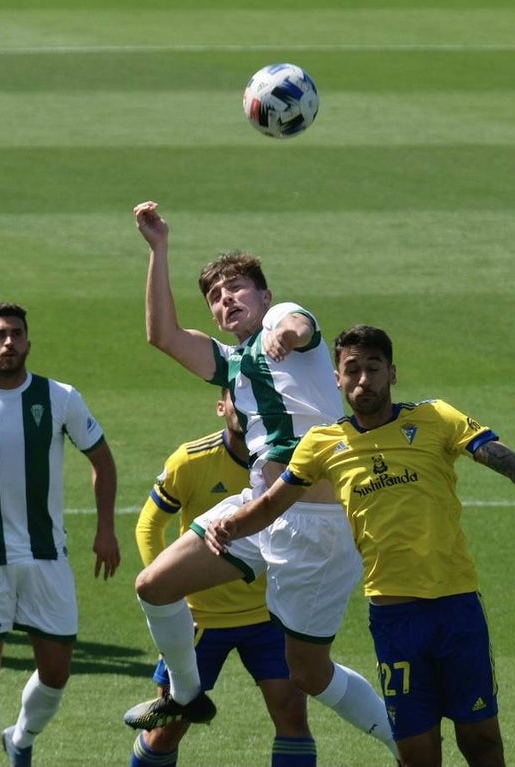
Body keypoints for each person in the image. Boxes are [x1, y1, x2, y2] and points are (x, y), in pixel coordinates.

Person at [206, 325, 515, 767]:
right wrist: (229, 526)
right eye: (353, 370)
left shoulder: (434, 418)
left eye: (374, 368)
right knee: (418, 755)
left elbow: (498, 455)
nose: (364, 379)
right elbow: (272, 505)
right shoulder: (323, 445)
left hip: (455, 609)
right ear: (337, 379)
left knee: (482, 742)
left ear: (392, 373)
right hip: (394, 618)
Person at [123, 201, 398, 762]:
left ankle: (404, 745)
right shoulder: (231, 364)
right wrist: (159, 250)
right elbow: (163, 335)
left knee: (311, 674)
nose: (226, 300)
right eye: (217, 296)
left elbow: (300, 326)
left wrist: (287, 336)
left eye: (237, 289)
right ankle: (184, 694)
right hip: (259, 511)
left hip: (317, 529)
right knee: (153, 585)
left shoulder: (282, 320)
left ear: (264, 296)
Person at [0, 302, 121, 767]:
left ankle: (22, 737)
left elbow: (103, 461)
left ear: (28, 343)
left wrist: (106, 529)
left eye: (16, 334)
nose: (8, 342)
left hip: (46, 555)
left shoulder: (60, 398)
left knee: (56, 672)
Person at [131, 389, 313, 767]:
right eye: (238, 399)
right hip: (200, 622)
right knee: (168, 728)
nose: (247, 408)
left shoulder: (287, 461)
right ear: (221, 407)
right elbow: (149, 525)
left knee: (293, 717)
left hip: (267, 617)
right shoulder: (191, 459)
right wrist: (169, 593)